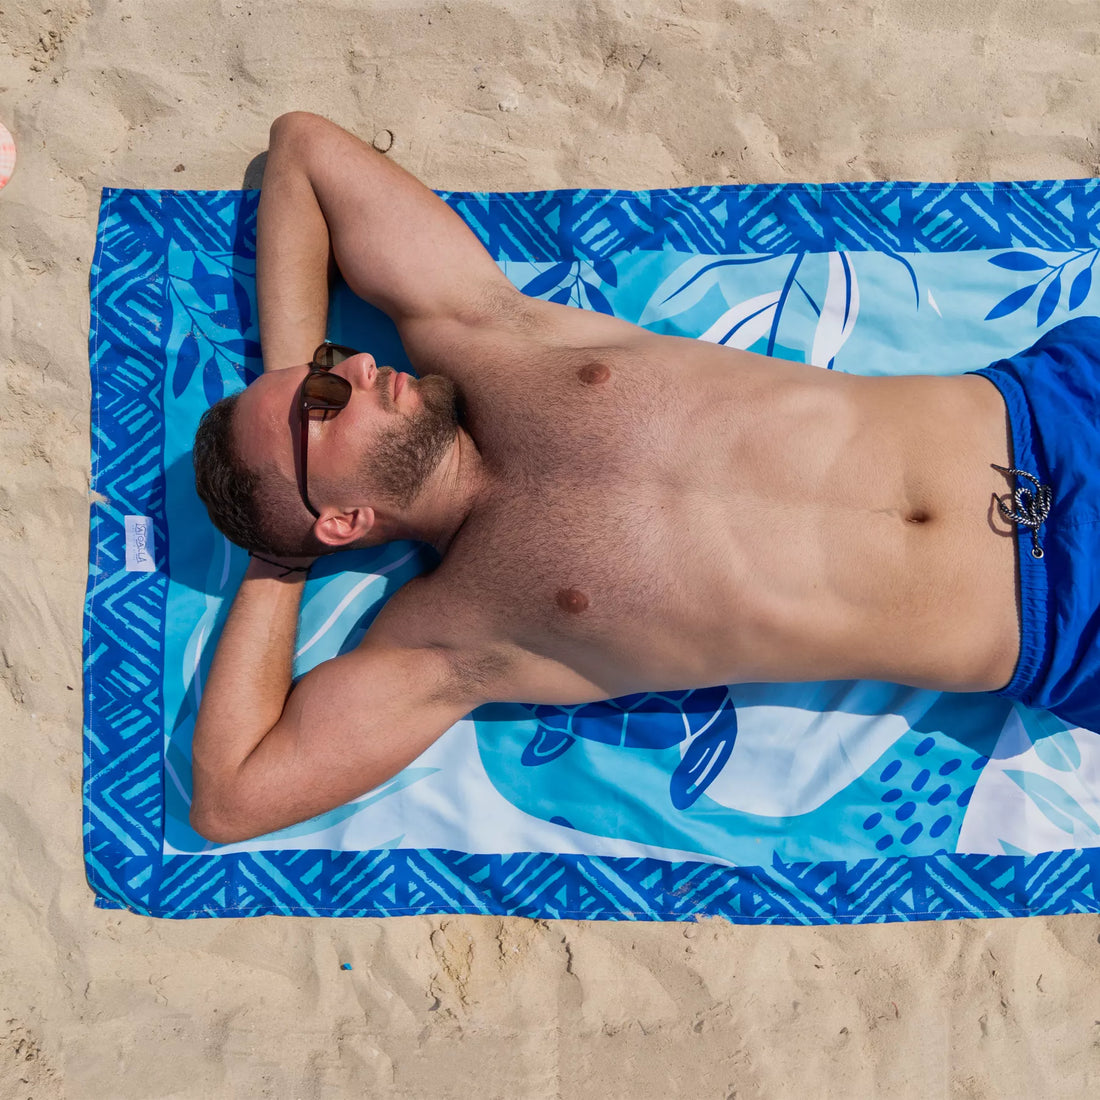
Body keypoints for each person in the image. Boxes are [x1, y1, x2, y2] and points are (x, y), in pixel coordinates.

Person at [189, 112, 1097, 844]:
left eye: (328, 362)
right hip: (1068, 622)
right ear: (343, 518)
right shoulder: (445, 643)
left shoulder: (485, 340)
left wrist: (292, 376)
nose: (347, 369)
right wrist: (282, 556)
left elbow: (303, 150)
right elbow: (231, 797)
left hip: (1053, 412)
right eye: (321, 402)